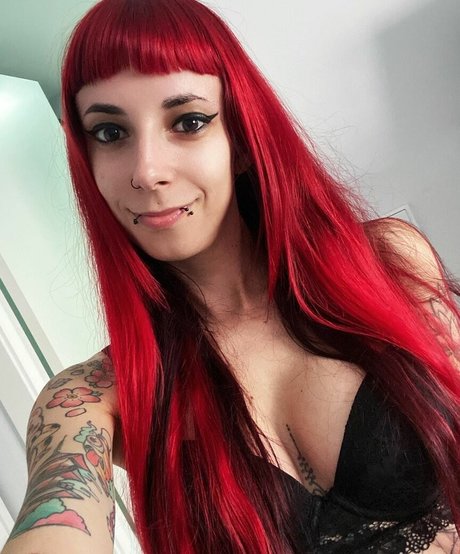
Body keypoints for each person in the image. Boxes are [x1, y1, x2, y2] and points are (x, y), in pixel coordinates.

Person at [3, 0, 460, 552]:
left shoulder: (388, 262)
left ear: (241, 139)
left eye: (188, 122)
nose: (147, 171)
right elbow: (55, 524)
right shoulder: (94, 398)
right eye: (110, 132)